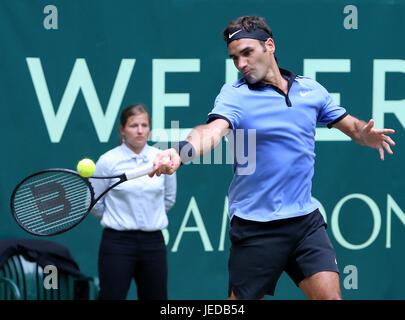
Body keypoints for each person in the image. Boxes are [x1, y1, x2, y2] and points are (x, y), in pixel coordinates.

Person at [150, 16, 396, 300]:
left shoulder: (311, 90)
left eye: (247, 53)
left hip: (305, 221)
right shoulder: (235, 95)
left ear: (269, 45)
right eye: (234, 58)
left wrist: (367, 136)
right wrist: (179, 153)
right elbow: (212, 132)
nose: (241, 64)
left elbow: (353, 128)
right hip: (256, 226)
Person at [90, 104, 177, 300]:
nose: (139, 130)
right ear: (122, 130)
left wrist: (148, 216)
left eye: (144, 125)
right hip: (117, 243)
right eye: (133, 125)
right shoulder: (107, 161)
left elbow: (169, 199)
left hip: (153, 243)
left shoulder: (161, 158)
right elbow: (95, 203)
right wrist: (118, 219)